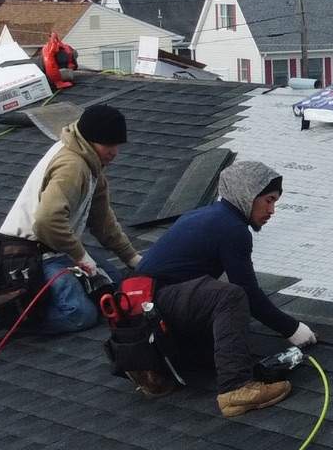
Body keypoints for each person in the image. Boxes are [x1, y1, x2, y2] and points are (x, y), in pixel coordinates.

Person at [134, 159, 317, 416]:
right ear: (247, 195)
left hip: (144, 308)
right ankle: (236, 389)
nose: (272, 210)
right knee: (231, 297)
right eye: (269, 200)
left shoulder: (208, 215)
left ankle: (156, 368)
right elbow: (248, 293)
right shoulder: (232, 228)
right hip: (157, 304)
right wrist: (293, 329)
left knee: (225, 334)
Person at [0, 103, 142, 345]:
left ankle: (39, 304)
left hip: (55, 248)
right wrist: (81, 256)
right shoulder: (72, 166)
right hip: (28, 255)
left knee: (113, 287)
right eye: (109, 145)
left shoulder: (91, 163)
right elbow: (46, 222)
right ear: (91, 140)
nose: (114, 152)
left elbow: (102, 220)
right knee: (80, 315)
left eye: (117, 145)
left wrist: (132, 258)